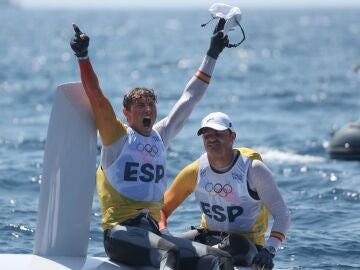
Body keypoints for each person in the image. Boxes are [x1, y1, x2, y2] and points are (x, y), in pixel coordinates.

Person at [70, 19, 236, 270]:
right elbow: (96, 97)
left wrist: (212, 53)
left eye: (151, 105)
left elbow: (190, 98)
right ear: (126, 113)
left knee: (220, 258)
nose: (148, 110)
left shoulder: (161, 135)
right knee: (169, 252)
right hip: (120, 234)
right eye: (140, 105)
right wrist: (83, 56)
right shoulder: (117, 137)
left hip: (153, 233)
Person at [160, 112, 291, 270]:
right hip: (207, 238)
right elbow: (162, 209)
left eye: (218, 134)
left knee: (235, 243)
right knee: (164, 246)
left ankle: (194, 257)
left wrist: (269, 250)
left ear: (232, 136)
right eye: (206, 135)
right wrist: (164, 233)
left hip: (244, 246)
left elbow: (282, 214)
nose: (212, 139)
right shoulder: (195, 170)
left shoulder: (254, 169)